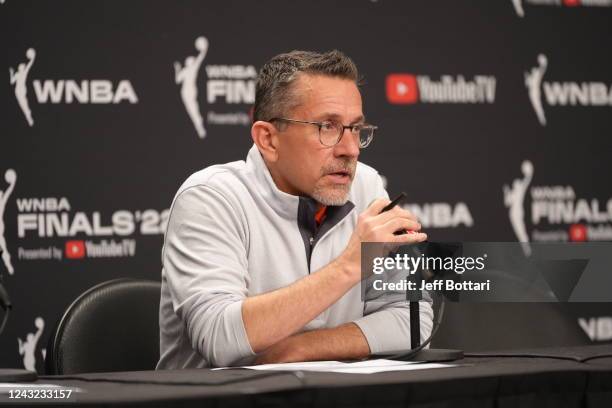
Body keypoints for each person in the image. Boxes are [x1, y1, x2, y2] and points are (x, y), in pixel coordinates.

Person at [157, 50, 433, 369]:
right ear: (269, 140)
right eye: (327, 127)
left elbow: (412, 320)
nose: (351, 150)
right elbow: (219, 337)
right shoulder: (211, 197)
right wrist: (348, 267)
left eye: (356, 129)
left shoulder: (366, 186)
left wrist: (301, 349)